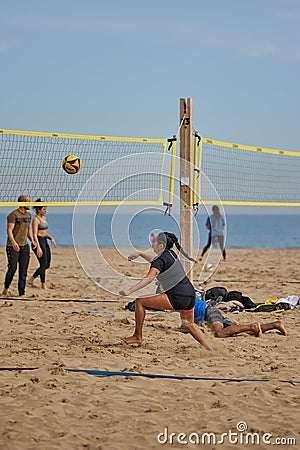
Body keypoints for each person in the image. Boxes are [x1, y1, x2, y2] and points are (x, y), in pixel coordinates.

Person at [119, 232, 210, 349]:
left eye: (155, 242)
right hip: (190, 294)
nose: (153, 243)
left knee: (140, 302)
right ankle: (210, 347)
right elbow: (156, 260)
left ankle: (137, 336)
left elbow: (149, 278)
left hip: (177, 296)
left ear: (161, 246)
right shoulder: (170, 254)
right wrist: (140, 254)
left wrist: (129, 290)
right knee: (189, 325)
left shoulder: (160, 260)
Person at [193, 297, 287, 337]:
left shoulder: (181, 296)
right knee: (240, 331)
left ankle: (252, 326)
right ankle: (275, 325)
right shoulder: (183, 292)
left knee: (219, 333)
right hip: (209, 315)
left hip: (209, 312)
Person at [2, 195, 35, 297]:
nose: (30, 204)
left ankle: (22, 293)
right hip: (13, 246)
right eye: (28, 202)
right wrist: (13, 242)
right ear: (22, 202)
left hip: (24, 245)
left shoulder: (29, 215)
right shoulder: (13, 215)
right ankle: (5, 290)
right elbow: (9, 230)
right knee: (12, 269)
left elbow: (28, 230)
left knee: (23, 270)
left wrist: (33, 241)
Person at [28, 200, 56, 289]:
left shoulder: (44, 218)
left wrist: (51, 238)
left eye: (46, 209)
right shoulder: (35, 220)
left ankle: (31, 279)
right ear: (39, 210)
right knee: (43, 264)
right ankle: (43, 284)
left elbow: (44, 232)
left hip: (44, 241)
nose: (46, 211)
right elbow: (35, 234)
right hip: (38, 242)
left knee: (47, 265)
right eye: (44, 209)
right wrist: (38, 247)